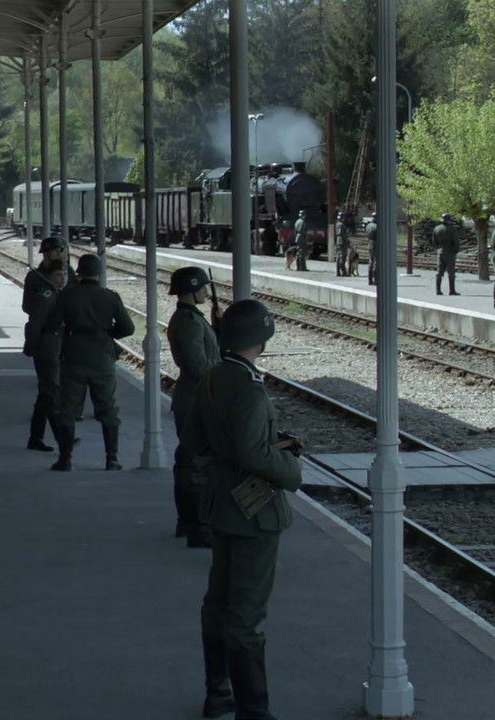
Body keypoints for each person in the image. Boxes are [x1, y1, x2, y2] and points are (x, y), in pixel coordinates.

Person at [186, 299, 302, 720]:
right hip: (255, 512)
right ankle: (254, 710)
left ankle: (218, 694)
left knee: (218, 603)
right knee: (247, 614)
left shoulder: (214, 378)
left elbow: (195, 441)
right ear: (261, 339)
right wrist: (290, 468)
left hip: (222, 504)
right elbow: (254, 454)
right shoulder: (249, 389)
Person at [48, 254, 135, 471]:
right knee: (108, 408)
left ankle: (65, 459)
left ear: (79, 273)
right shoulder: (110, 296)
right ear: (99, 273)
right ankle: (112, 458)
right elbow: (128, 328)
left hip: (74, 356)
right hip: (102, 357)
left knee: (68, 409)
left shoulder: (67, 296)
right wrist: (107, 333)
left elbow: (53, 323)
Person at [166, 266, 222, 548]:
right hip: (194, 401)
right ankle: (198, 528)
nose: (205, 292)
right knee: (197, 466)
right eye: (202, 287)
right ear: (192, 289)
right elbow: (197, 365)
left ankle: (188, 522)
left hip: (194, 400)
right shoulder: (188, 321)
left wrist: (217, 326)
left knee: (189, 462)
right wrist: (224, 368)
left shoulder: (192, 318)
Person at [23, 258, 69, 451]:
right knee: (51, 393)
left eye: (64, 274)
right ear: (49, 277)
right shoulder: (47, 297)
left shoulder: (56, 294)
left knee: (46, 395)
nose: (62, 278)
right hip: (46, 350)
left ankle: (36, 438)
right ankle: (62, 438)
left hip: (52, 348)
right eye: (58, 275)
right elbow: (36, 324)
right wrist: (31, 346)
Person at [434, 213, 461, 296]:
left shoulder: (436, 229)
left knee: (439, 272)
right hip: (450, 252)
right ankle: (451, 290)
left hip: (440, 252)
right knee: (451, 272)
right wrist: (455, 251)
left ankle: (438, 290)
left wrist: (438, 249)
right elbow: (456, 242)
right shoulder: (452, 229)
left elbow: (434, 241)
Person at [334, 211, 350, 277]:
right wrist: (347, 240)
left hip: (338, 241)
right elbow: (341, 233)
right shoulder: (341, 225)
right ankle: (343, 271)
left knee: (338, 257)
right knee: (343, 257)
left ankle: (338, 271)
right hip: (342, 241)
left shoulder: (337, 224)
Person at [366, 212, 379, 286]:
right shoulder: (377, 226)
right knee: (376, 262)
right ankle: (376, 279)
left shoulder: (368, 226)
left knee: (370, 261)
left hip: (369, 244)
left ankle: (370, 279)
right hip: (376, 244)